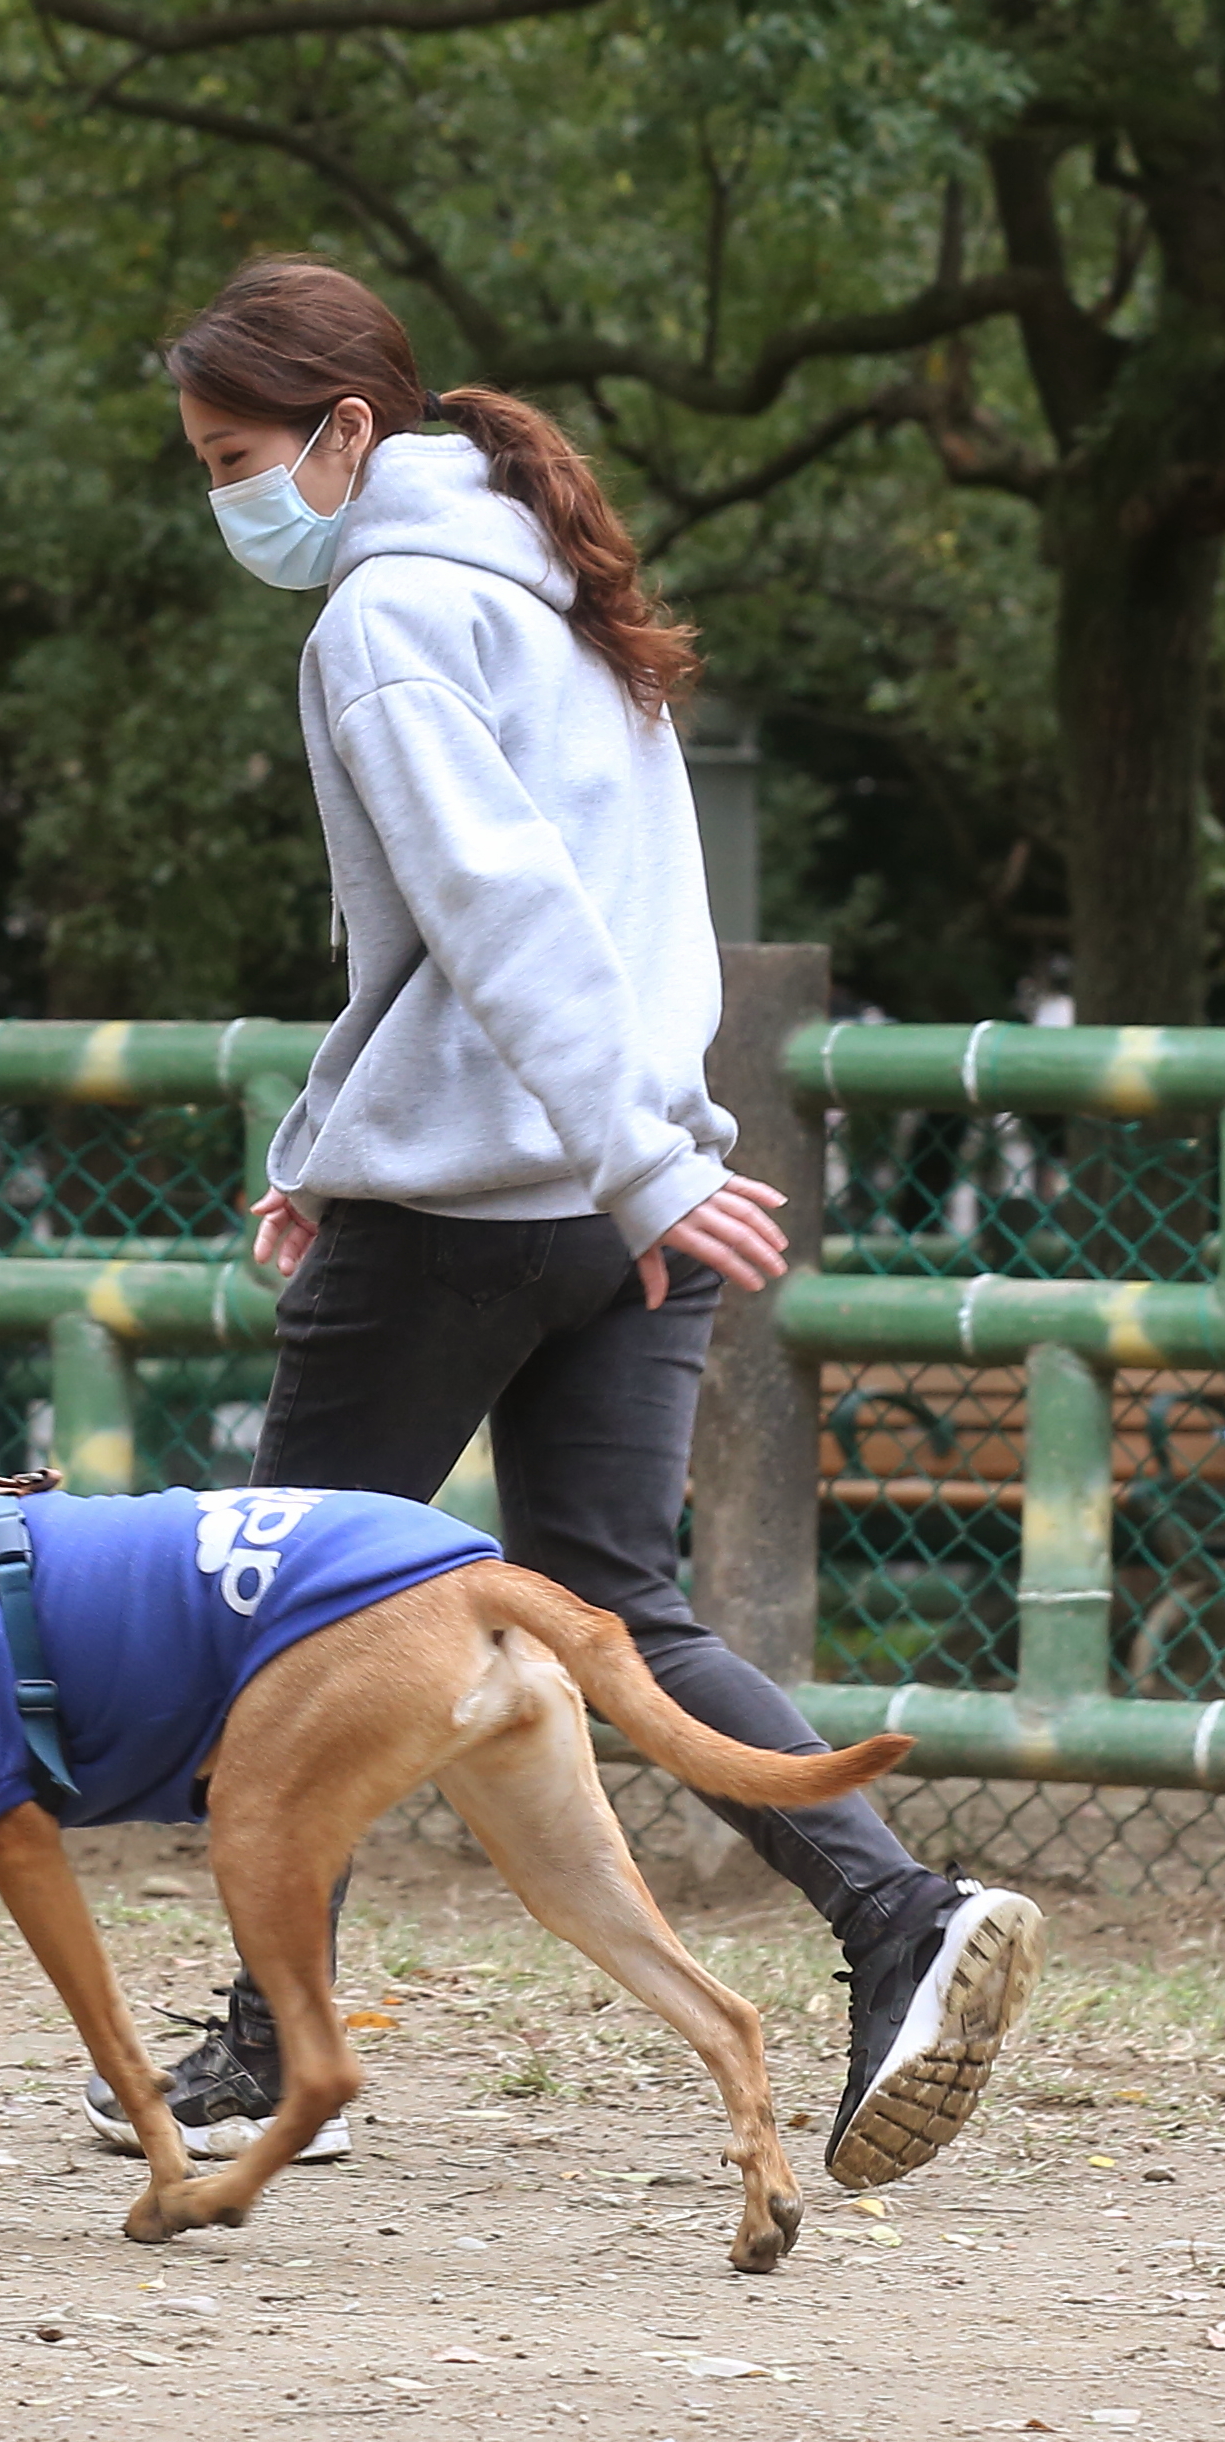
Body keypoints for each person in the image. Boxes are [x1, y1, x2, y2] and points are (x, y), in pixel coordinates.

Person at [92, 252, 1039, 2188]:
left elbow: (499, 906)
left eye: (238, 453)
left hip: (495, 1203)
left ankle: (278, 2053)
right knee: (622, 1600)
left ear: (350, 433)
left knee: (282, 1619)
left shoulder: (385, 618)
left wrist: (610, 1153)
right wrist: (630, 1160)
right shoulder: (559, 594)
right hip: (621, 1194)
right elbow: (560, 929)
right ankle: (898, 1918)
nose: (225, 499)